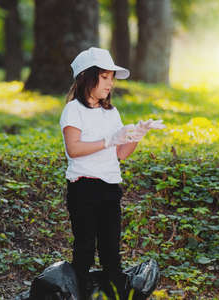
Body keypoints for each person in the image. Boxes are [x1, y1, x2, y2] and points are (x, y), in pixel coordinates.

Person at [59, 47, 165, 299]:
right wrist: (108, 140)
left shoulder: (111, 112)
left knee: (110, 250)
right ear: (87, 77)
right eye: (104, 77)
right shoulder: (73, 110)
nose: (110, 83)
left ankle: (115, 293)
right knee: (84, 248)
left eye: (111, 78)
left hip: (110, 188)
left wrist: (137, 135)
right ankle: (81, 292)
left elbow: (121, 153)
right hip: (83, 187)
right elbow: (73, 149)